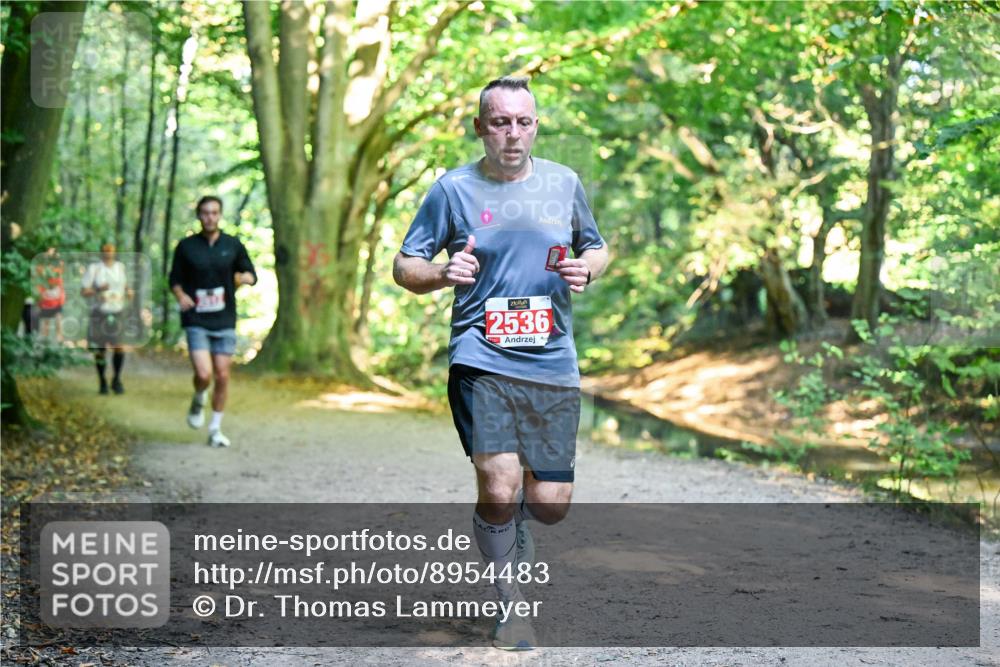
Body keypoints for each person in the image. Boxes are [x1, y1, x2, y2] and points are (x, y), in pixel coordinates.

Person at [393, 76, 609, 650]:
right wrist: (441, 273)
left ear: (535, 126)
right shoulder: (452, 190)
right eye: (500, 122)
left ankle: (513, 531)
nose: (512, 133)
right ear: (480, 128)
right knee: (500, 482)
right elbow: (405, 264)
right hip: (480, 356)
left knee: (549, 506)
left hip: (552, 360)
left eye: (523, 121)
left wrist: (588, 269)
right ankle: (510, 604)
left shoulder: (563, 183)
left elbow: (595, 245)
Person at [168, 195, 257, 448]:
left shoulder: (232, 245)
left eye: (214, 213)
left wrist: (244, 278)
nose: (210, 217)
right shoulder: (186, 247)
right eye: (205, 213)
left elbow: (251, 274)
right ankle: (199, 395)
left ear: (220, 215)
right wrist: (181, 295)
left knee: (223, 375)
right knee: (204, 374)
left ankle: (215, 429)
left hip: (224, 318)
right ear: (199, 215)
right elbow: (174, 279)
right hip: (196, 318)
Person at [81, 243, 131, 394]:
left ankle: (116, 379)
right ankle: (102, 381)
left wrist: (129, 291)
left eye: (111, 250)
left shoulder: (120, 267)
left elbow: (125, 285)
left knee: (119, 346)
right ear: (101, 252)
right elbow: (84, 291)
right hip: (99, 312)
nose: (108, 253)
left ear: (115, 252)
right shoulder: (94, 269)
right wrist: (98, 290)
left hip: (117, 311)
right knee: (100, 348)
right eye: (105, 251)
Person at [35, 247, 66, 342]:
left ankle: (59, 341)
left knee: (58, 320)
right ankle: (45, 342)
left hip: (56, 299)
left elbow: (61, 267)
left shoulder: (58, 268)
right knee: (46, 324)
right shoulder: (40, 268)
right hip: (45, 299)